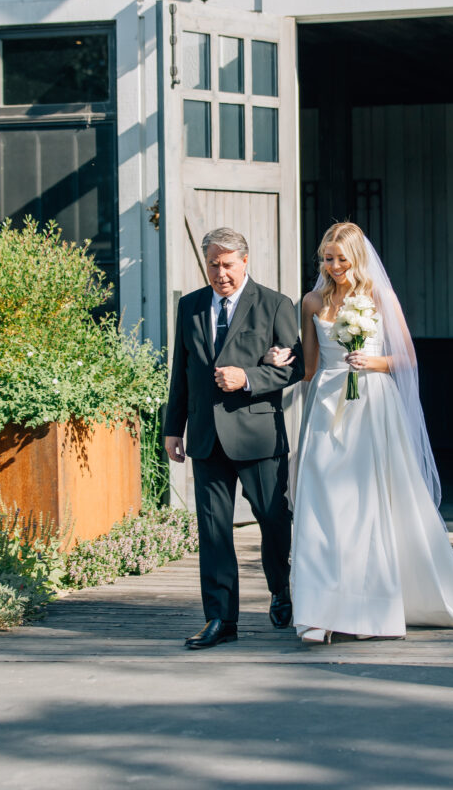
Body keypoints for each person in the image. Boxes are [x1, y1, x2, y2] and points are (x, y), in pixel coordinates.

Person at [265, 221, 453, 643]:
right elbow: (311, 368)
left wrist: (370, 363)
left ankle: (367, 607)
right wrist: (286, 356)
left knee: (365, 504)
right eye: (327, 258)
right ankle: (319, 611)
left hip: (370, 404)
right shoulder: (312, 301)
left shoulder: (378, 296)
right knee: (321, 501)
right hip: (325, 406)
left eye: (340, 258)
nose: (333, 266)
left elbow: (407, 358)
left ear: (356, 257)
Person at [164, 227, 304, 650]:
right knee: (213, 531)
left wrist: (248, 378)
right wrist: (172, 428)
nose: (220, 272)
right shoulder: (189, 307)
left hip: (258, 434)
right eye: (213, 264)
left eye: (227, 264)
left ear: (245, 261)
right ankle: (221, 620)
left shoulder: (275, 304)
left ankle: (283, 588)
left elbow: (296, 367)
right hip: (206, 437)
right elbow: (181, 374)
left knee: (273, 519)